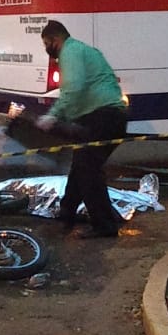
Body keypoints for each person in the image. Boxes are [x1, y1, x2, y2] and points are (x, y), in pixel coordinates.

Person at [36, 20, 127, 238]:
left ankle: (104, 225)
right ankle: (67, 213)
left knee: (88, 171)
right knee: (81, 165)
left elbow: (73, 88)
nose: (47, 48)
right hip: (111, 116)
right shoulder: (82, 49)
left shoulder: (70, 52)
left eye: (46, 43)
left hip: (103, 117)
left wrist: (53, 116)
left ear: (55, 40)